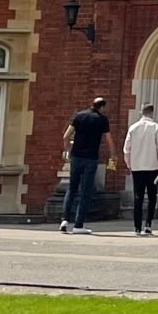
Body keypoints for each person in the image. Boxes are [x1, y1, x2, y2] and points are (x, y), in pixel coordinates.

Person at [60, 95, 112, 234]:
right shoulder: (102, 120)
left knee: (72, 188)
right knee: (86, 191)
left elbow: (66, 136)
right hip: (91, 158)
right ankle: (78, 224)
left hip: (76, 156)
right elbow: (109, 140)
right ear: (102, 107)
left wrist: (68, 149)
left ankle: (64, 219)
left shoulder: (79, 116)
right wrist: (113, 155)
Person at [122, 102, 158, 236]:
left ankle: (136, 227)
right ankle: (148, 224)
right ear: (152, 113)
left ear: (141, 112)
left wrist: (129, 164)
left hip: (137, 167)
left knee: (138, 197)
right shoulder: (156, 128)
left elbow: (126, 149)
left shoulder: (133, 128)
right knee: (152, 197)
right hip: (152, 167)